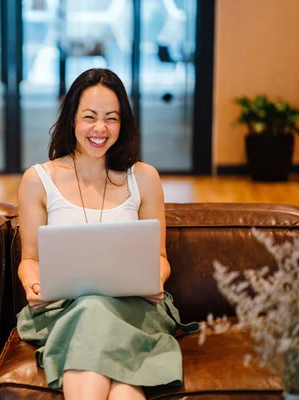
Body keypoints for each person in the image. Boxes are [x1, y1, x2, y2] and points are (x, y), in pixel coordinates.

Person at [16, 68, 197, 400]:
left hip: (134, 308)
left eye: (111, 118)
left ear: (123, 123)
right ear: (71, 119)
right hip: (64, 310)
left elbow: (159, 258)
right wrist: (33, 284)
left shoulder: (143, 178)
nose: (100, 129)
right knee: (119, 375)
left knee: (97, 313)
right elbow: (29, 260)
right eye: (90, 117)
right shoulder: (38, 180)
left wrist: (156, 278)